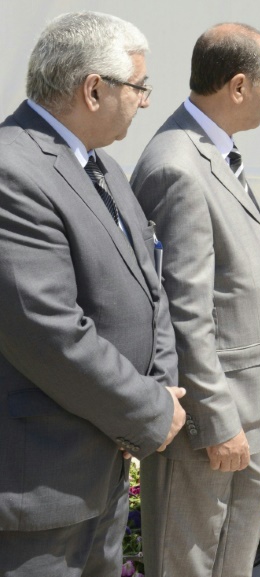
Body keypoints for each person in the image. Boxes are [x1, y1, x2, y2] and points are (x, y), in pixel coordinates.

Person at [0, 11, 185, 576]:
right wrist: (149, 409)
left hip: (102, 461)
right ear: (94, 89)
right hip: (42, 483)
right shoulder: (14, 171)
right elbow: (47, 330)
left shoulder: (100, 163)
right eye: (139, 86)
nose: (146, 101)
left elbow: (149, 287)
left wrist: (161, 388)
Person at [131, 24, 260, 577]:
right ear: (240, 85)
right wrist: (215, 418)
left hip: (247, 403)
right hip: (214, 419)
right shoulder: (178, 165)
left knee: (230, 557)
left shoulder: (212, 152)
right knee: (191, 561)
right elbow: (181, 310)